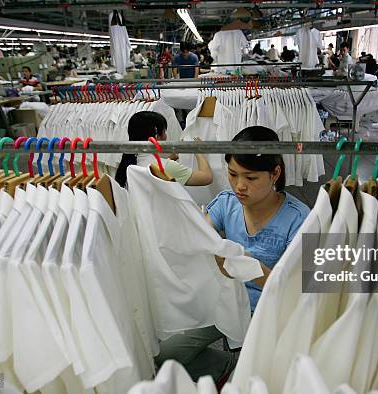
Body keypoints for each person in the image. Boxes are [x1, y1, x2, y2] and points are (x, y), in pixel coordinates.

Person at [155, 126, 310, 385]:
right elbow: (197, 234)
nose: (240, 186)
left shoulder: (301, 219)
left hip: (269, 310)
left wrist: (253, 270)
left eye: (251, 178)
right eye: (233, 174)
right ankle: (222, 366)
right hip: (224, 302)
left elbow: (305, 292)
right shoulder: (227, 202)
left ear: (275, 173)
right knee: (164, 355)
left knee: (254, 382)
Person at [115, 111, 213, 187]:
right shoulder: (166, 166)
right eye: (164, 132)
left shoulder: (128, 163)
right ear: (156, 136)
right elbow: (206, 177)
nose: (166, 137)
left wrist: (170, 159)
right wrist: (198, 151)